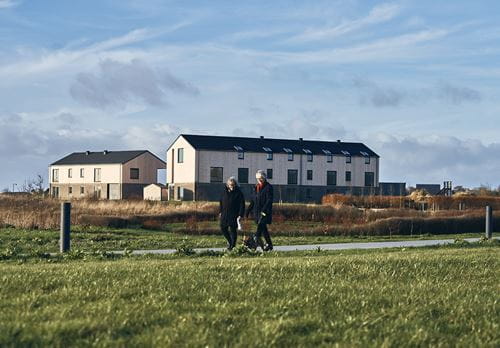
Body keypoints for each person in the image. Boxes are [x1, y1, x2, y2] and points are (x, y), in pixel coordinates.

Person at [246, 170, 273, 251]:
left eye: (261, 178)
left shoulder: (268, 187)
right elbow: (253, 200)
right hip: (257, 212)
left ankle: (253, 245)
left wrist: (264, 210)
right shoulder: (255, 188)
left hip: (265, 212)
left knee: (259, 229)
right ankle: (269, 245)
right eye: (258, 178)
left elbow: (269, 200)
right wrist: (248, 210)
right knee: (264, 230)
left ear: (264, 178)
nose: (259, 180)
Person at [219, 176, 245, 250]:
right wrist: (220, 211)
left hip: (234, 214)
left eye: (233, 185)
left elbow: (242, 204)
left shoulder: (238, 193)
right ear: (228, 185)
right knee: (223, 228)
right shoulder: (224, 192)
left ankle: (232, 246)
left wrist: (240, 215)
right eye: (231, 185)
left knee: (233, 230)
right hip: (224, 214)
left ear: (235, 185)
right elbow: (221, 202)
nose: (232, 186)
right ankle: (230, 242)